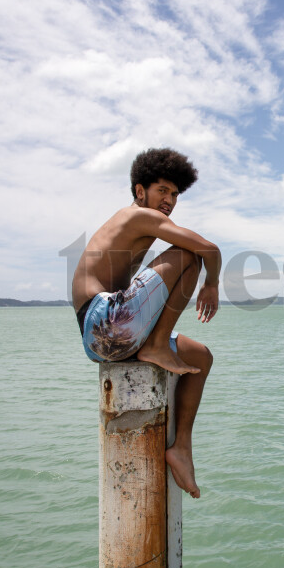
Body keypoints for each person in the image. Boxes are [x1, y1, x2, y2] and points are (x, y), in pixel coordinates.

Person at [72, 148, 220, 499]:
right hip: (102, 321)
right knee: (190, 253)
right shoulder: (135, 215)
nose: (169, 200)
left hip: (110, 338)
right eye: (162, 191)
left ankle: (181, 448)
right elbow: (210, 250)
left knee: (200, 358)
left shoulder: (145, 224)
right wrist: (211, 284)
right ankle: (155, 345)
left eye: (174, 194)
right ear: (140, 191)